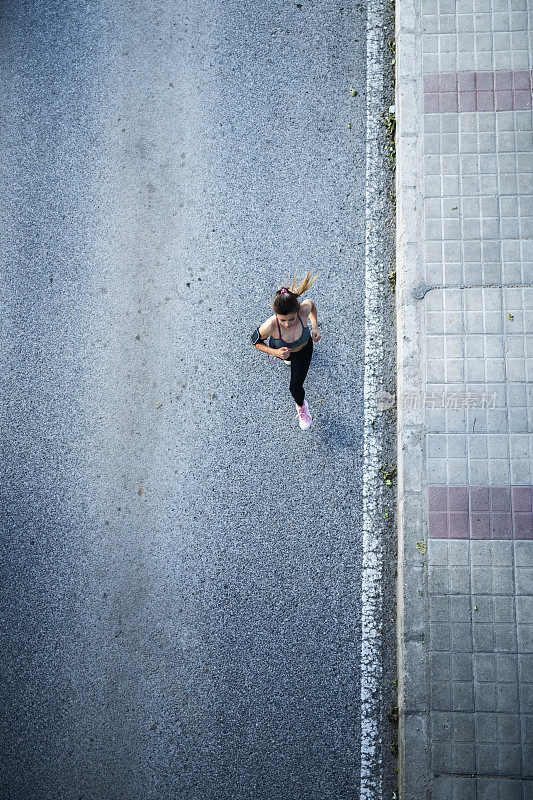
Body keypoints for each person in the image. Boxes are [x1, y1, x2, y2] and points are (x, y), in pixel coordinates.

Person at [250, 270, 321, 430]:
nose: (288, 324)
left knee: (294, 387)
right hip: (281, 350)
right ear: (276, 315)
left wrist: (315, 326)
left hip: (303, 351)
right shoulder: (270, 325)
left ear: (297, 312)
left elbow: (312, 306)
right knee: (286, 357)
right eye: (283, 320)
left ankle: (302, 407)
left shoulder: (303, 310)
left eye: (291, 319)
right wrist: (275, 353)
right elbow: (255, 341)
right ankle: (286, 359)